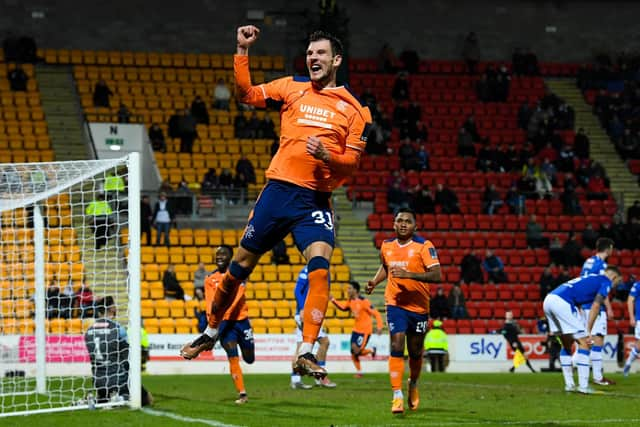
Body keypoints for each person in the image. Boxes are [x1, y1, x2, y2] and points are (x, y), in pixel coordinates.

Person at [180, 25, 372, 386]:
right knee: (239, 267)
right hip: (278, 192)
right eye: (310, 52)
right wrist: (241, 49)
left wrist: (327, 154)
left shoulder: (355, 110)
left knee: (320, 265)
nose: (312, 58)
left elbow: (352, 163)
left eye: (320, 53)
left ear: (337, 60)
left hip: (314, 199)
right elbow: (246, 94)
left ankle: (307, 349)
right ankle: (210, 329)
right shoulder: (291, 87)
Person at [366, 208, 441, 414]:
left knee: (416, 351)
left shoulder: (424, 246)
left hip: (418, 307)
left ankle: (413, 384)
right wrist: (375, 281)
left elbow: (437, 275)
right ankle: (396, 395)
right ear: (393, 224)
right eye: (399, 220)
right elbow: (385, 266)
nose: (403, 224)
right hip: (395, 303)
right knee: (397, 342)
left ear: (415, 226)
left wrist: (409, 274)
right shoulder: (386, 246)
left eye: (408, 221)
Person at [542, 267, 622, 393]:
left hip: (549, 300)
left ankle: (569, 385)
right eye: (618, 282)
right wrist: (588, 330)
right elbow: (596, 306)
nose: (616, 285)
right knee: (585, 343)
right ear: (614, 277)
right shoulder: (606, 281)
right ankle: (583, 387)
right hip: (562, 302)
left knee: (567, 344)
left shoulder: (591, 278)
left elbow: (578, 296)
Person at [204, 246, 255, 404]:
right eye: (217, 254)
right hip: (225, 325)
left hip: (242, 321)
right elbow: (210, 303)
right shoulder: (210, 279)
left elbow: (237, 298)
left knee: (249, 358)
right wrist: (211, 324)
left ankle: (247, 352)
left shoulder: (238, 275)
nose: (219, 257)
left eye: (223, 254)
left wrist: (222, 314)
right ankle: (242, 394)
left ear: (231, 258)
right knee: (233, 357)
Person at [84, 296, 153, 406]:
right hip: (118, 380)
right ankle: (121, 398)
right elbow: (127, 359)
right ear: (112, 308)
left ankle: (95, 399)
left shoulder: (89, 331)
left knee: (105, 396)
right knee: (148, 399)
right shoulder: (117, 329)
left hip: (98, 381)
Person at [290, 266, 337, 389]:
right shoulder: (308, 270)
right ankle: (320, 377)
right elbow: (297, 290)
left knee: (301, 346)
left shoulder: (325, 272)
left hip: (312, 313)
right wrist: (302, 308)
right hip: (306, 314)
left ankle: (296, 379)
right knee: (324, 342)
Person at [579, 237, 616, 385]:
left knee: (589, 340)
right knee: (598, 340)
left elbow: (582, 282)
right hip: (595, 306)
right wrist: (609, 307)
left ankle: (594, 375)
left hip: (585, 304)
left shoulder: (588, 262)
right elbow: (602, 289)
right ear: (608, 249)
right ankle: (597, 377)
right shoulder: (602, 266)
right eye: (612, 248)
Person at [330, 281, 383, 378]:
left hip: (365, 331)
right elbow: (344, 307)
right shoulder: (350, 300)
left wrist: (379, 326)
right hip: (356, 330)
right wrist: (333, 300)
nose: (348, 290)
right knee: (353, 352)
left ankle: (371, 350)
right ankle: (359, 372)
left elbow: (376, 314)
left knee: (357, 351)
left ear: (355, 290)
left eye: (349, 288)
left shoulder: (364, 301)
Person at [623, 279, 640, 376]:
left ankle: (628, 363)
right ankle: (628, 363)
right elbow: (630, 300)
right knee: (639, 346)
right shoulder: (637, 285)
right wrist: (632, 317)